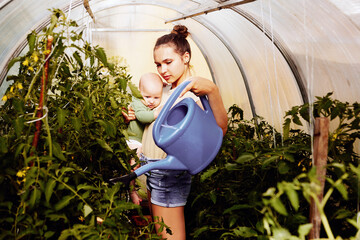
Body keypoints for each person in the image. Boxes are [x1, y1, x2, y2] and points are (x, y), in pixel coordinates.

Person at [125, 25, 228, 240]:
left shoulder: (192, 93)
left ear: (186, 57)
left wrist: (212, 90)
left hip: (169, 175)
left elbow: (219, 129)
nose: (162, 69)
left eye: (168, 62)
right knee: (159, 233)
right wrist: (135, 115)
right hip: (154, 170)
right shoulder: (170, 89)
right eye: (158, 64)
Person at [126, 72, 164, 205]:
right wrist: (156, 114)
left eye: (156, 97)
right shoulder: (136, 102)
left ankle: (144, 192)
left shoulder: (151, 104)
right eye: (147, 96)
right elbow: (142, 116)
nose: (151, 101)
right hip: (133, 141)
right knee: (134, 166)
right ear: (138, 92)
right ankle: (132, 192)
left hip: (142, 142)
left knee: (143, 168)